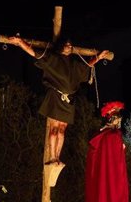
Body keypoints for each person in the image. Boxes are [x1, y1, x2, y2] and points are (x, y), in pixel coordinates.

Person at [7, 35, 110, 165]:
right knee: (54, 129)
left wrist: (98, 57)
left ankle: (57, 157)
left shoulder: (74, 64)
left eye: (70, 45)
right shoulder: (53, 59)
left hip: (68, 100)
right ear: (61, 46)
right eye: (66, 44)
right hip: (56, 97)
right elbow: (34, 53)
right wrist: (20, 42)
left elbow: (86, 65)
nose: (68, 46)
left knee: (62, 130)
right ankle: (52, 157)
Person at [85, 101, 129, 202]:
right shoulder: (113, 136)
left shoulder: (102, 136)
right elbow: (115, 161)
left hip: (105, 177)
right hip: (115, 177)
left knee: (105, 193)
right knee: (114, 196)